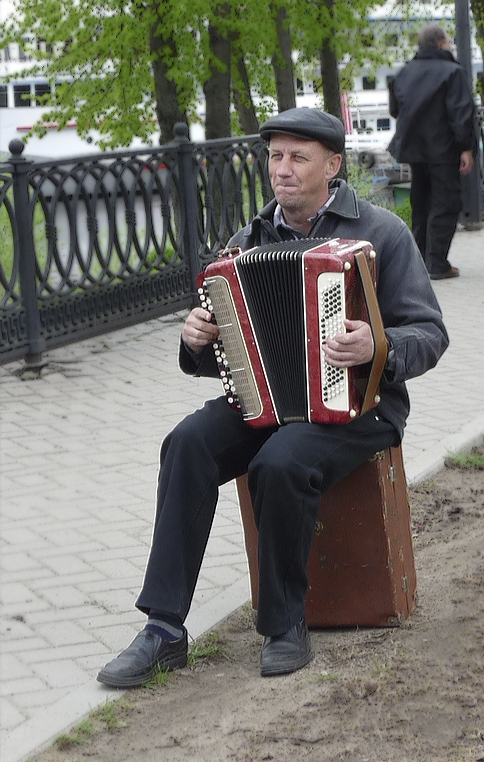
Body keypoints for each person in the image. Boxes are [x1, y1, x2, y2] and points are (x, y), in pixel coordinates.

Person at [97, 107, 449, 688]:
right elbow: (229, 359)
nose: (281, 170)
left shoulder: (382, 233)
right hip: (268, 402)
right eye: (275, 156)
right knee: (186, 443)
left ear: (332, 165)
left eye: (297, 158)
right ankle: (164, 628)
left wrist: (376, 345)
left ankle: (285, 625)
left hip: (363, 407)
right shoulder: (248, 242)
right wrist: (196, 341)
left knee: (280, 460)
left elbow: (431, 333)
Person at [388, 24, 476, 280]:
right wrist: (466, 148)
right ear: (440, 44)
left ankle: (419, 261)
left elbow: (395, 110)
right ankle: (437, 262)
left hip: (414, 150)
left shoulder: (404, 72)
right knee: (445, 202)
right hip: (444, 149)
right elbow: (461, 113)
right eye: (449, 42)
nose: (451, 46)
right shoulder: (452, 72)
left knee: (421, 203)